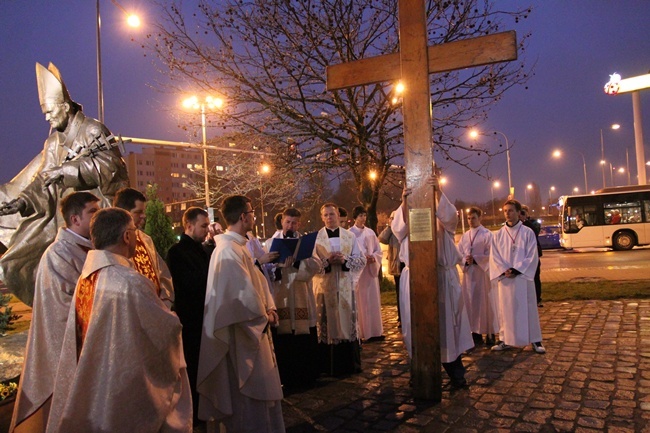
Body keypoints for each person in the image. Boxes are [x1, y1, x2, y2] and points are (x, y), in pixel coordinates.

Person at [46, 208, 192, 432]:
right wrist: (171, 316)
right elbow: (167, 331)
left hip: (98, 381)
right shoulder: (130, 282)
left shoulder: (87, 278)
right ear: (126, 236)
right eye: (134, 231)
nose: (136, 236)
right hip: (123, 387)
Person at [0, 62, 128, 306]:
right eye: (45, 113)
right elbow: (42, 179)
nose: (47, 117)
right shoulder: (53, 143)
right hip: (64, 218)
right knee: (14, 261)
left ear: (66, 107)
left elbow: (111, 167)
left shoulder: (92, 130)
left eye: (50, 111)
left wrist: (68, 170)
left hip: (94, 215)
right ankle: (54, 306)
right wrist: (22, 201)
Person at [10, 192, 100, 433]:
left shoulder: (88, 249)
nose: (98, 217)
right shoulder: (58, 254)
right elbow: (64, 308)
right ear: (75, 219)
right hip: (68, 347)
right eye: (93, 212)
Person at [197, 195, 284, 433]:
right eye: (252, 212)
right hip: (241, 339)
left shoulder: (238, 247)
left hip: (252, 331)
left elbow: (256, 283)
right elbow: (239, 298)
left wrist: (270, 306)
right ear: (244, 216)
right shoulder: (227, 251)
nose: (253, 216)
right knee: (246, 399)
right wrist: (264, 316)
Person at [392, 178, 473, 388]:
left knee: (446, 327)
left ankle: (456, 372)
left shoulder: (442, 213)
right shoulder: (405, 214)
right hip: (415, 279)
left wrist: (437, 193)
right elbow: (399, 230)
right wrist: (404, 202)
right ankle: (419, 371)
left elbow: (450, 218)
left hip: (442, 278)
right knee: (416, 325)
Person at [166, 207, 210, 423]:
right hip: (191, 319)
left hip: (204, 317)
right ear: (189, 225)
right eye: (203, 226)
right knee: (193, 368)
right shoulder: (177, 252)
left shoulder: (203, 249)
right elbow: (188, 283)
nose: (207, 230)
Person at [269, 208, 321, 389]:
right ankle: (286, 377)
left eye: (294, 223)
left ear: (299, 223)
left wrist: (299, 262)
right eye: (287, 222)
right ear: (282, 221)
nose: (290, 226)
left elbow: (316, 265)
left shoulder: (305, 243)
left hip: (300, 293)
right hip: (281, 294)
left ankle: (306, 377)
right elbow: (265, 269)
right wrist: (279, 266)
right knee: (284, 338)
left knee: (303, 338)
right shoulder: (270, 242)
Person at [312, 203, 366, 376]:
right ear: (322, 217)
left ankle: (348, 365)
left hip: (344, 286)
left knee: (345, 322)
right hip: (324, 286)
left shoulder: (349, 237)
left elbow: (360, 260)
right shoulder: (316, 238)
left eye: (332, 214)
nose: (329, 217)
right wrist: (326, 262)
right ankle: (327, 367)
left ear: (338, 215)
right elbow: (311, 264)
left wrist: (344, 260)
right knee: (326, 323)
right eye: (326, 215)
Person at [490, 199, 546, 354]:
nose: (507, 213)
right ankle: (504, 339)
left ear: (518, 212)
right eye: (505, 211)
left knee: (528, 309)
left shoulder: (527, 232)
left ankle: (535, 340)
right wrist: (503, 270)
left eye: (511, 210)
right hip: (506, 280)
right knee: (505, 310)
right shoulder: (498, 234)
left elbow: (532, 255)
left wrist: (516, 269)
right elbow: (494, 256)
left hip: (522, 278)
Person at [113, 187, 174, 307]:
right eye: (138, 212)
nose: (143, 216)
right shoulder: (112, 243)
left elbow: (162, 274)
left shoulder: (146, 240)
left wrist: (165, 303)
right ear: (123, 212)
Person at [457, 206, 498, 347]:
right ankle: (475, 332)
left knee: (484, 303)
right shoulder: (465, 236)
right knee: (471, 303)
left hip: (482, 275)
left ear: (480, 218)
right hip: (469, 276)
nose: (470, 221)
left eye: (473, 218)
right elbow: (459, 253)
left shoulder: (487, 235)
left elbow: (492, 255)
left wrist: (476, 259)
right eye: (468, 218)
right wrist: (465, 261)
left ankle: (490, 332)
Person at [348, 205, 384, 341]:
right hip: (360, 273)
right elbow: (350, 252)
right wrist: (362, 259)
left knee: (373, 299)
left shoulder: (370, 232)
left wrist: (373, 257)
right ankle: (364, 332)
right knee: (362, 302)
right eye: (360, 216)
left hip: (370, 271)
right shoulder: (350, 233)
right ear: (355, 217)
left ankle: (376, 331)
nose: (363, 218)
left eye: (364, 215)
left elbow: (378, 249)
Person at [378, 211, 403, 325]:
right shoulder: (392, 230)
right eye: (392, 218)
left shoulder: (404, 228)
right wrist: (390, 226)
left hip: (406, 263)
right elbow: (382, 238)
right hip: (397, 264)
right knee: (399, 291)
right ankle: (400, 316)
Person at [520, 205, 543, 307]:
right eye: (521, 212)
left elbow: (535, 232)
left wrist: (525, 220)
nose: (522, 214)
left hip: (534, 254)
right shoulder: (517, 224)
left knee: (535, 277)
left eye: (524, 212)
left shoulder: (533, 223)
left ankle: (538, 299)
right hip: (522, 255)